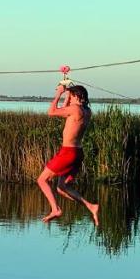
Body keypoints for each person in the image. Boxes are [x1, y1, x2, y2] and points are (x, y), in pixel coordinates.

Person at [37, 82, 99, 226]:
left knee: (42, 180)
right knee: (62, 187)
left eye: (70, 97)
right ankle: (91, 206)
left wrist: (59, 93)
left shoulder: (75, 109)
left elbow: (52, 112)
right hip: (78, 153)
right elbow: (65, 112)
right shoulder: (87, 111)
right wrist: (67, 94)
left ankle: (56, 209)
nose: (69, 99)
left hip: (68, 152)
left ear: (77, 96)